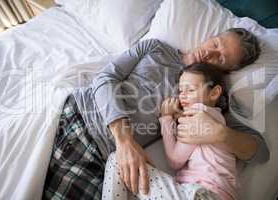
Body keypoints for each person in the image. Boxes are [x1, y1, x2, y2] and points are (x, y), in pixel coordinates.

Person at [42, 28, 269, 200]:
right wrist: (124, 141)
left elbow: (260, 152)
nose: (209, 52)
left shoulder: (207, 104)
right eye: (216, 43)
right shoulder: (155, 48)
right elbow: (104, 79)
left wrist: (221, 135)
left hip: (102, 159)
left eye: (220, 58)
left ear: (225, 72)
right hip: (79, 117)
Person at [102, 63, 238, 200]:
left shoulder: (200, 115)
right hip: (210, 192)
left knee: (118, 160)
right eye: (180, 91)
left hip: (205, 193)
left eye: (190, 90)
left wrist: (166, 118)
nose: (182, 96)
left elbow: (175, 160)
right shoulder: (217, 118)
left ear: (214, 93)